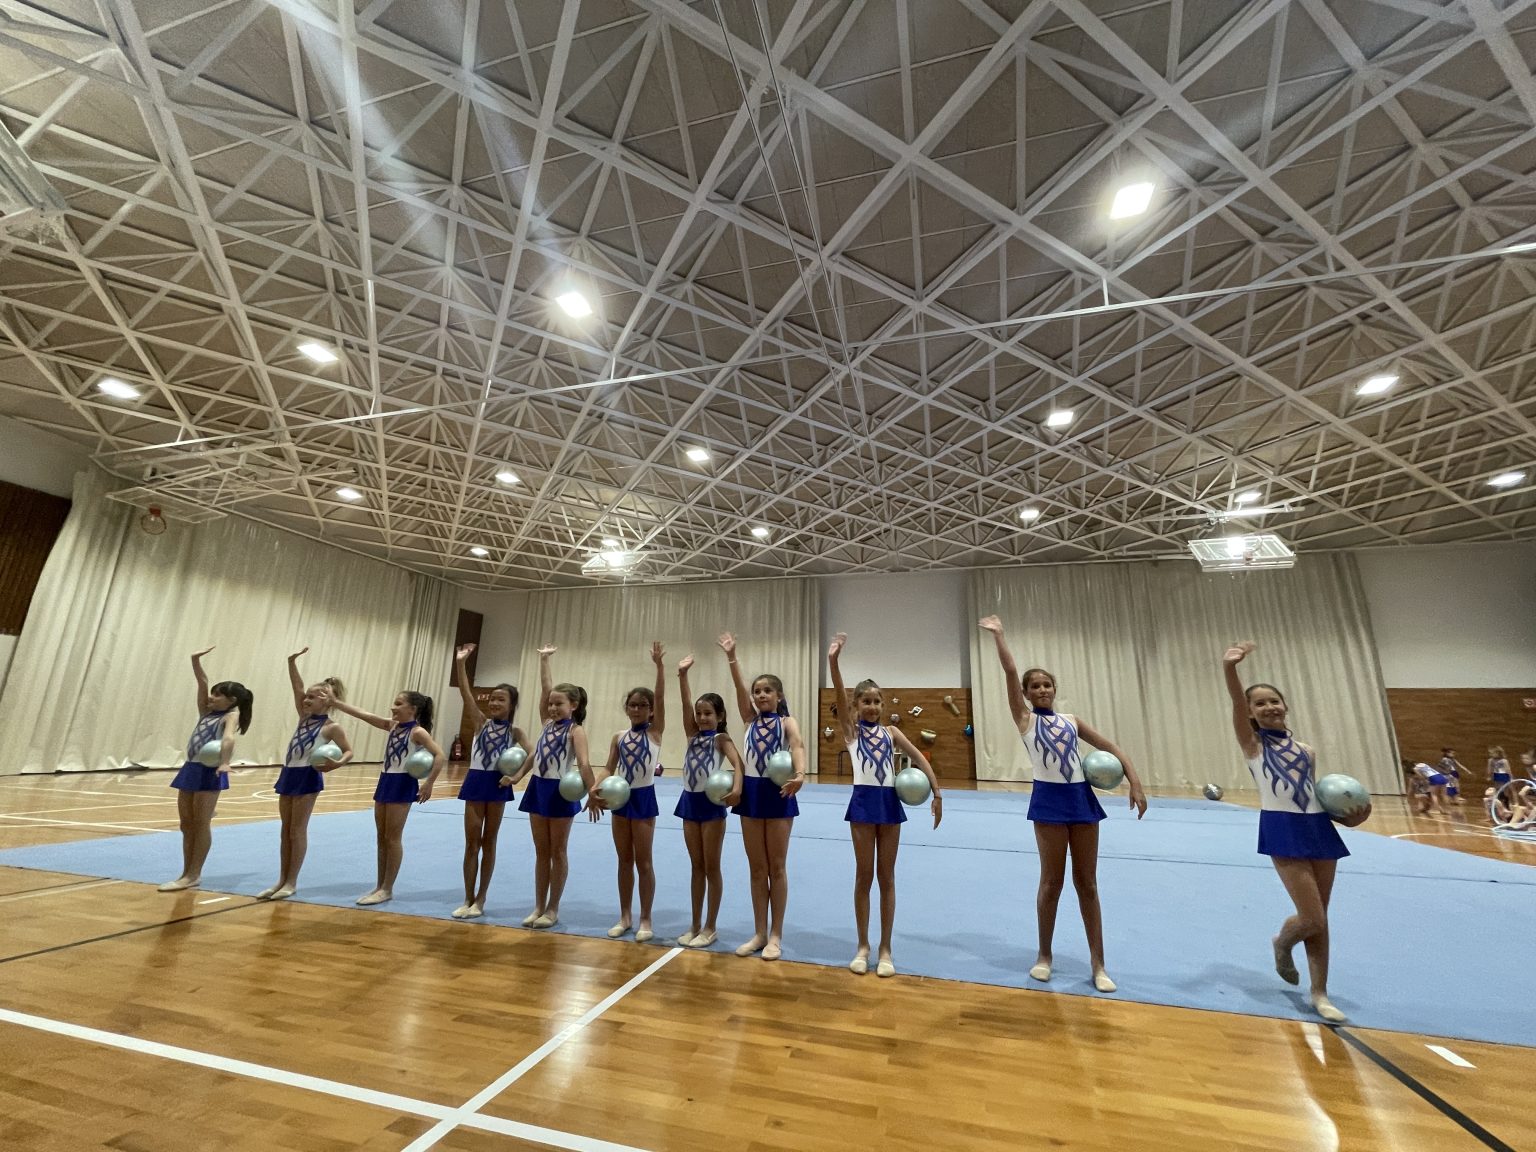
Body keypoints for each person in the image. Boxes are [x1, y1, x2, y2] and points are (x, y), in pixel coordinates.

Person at [979, 616, 1146, 993]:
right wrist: (1000, 636)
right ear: (1026, 694)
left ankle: (1098, 963)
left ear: (1054, 689)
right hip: (1049, 801)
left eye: (1047, 684)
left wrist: (1135, 782)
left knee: (1087, 883)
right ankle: (1044, 955)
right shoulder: (1024, 720)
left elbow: (1110, 747)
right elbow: (1010, 671)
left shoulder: (1071, 720)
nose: (1042, 689)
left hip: (1081, 800)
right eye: (1034, 686)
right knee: (1051, 882)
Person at [1221, 641, 1368, 1024]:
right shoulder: (1253, 746)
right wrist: (1230, 668)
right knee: (1312, 918)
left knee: (1321, 919)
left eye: (1274, 701)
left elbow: (1312, 795)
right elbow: (1235, 702)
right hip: (1282, 828)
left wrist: (1348, 819)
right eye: (1260, 704)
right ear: (1250, 713)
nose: (1269, 707)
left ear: (1285, 706)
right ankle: (1282, 943)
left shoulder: (1307, 750)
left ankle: (1320, 993)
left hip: (1317, 828)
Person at [827, 632, 942, 979]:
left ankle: (885, 948)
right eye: (866, 701)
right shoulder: (852, 733)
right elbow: (838, 693)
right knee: (864, 876)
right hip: (863, 804)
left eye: (877, 701)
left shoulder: (891, 732)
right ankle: (863, 945)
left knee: (886, 877)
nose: (873, 707)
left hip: (889, 805)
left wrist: (937, 793)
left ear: (883, 705)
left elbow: (918, 756)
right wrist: (833, 661)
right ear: (856, 706)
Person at [719, 631, 806, 961]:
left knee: (777, 867)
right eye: (757, 691)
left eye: (767, 690)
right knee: (757, 868)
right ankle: (759, 932)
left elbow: (797, 746)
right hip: (752, 793)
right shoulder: (749, 719)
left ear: (779, 695)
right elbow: (739, 689)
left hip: (779, 791)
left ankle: (776, 935)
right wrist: (732, 657)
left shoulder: (787, 722)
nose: (761, 695)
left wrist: (800, 774)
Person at [322, 686, 444, 906]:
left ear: (413, 709)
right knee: (381, 837)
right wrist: (336, 703)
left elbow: (439, 755)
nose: (392, 707)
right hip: (385, 780)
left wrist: (429, 783)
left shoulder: (418, 732)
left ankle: (387, 888)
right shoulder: (392, 725)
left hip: (402, 783)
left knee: (392, 838)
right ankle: (380, 885)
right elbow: (364, 715)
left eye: (398, 704)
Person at [258, 648, 351, 900]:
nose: (306, 700)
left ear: (327, 702)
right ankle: (281, 879)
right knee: (285, 830)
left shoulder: (331, 727)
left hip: (308, 776)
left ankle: (292, 882)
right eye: (306, 697)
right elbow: (296, 687)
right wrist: (291, 663)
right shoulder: (303, 717)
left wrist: (337, 764)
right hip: (289, 773)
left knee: (297, 830)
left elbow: (349, 751)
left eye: (312, 697)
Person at [159, 647, 252, 893]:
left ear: (231, 701)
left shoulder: (230, 716)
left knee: (201, 824)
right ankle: (185, 871)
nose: (212, 697)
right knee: (186, 824)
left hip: (209, 771)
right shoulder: (206, 712)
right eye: (213, 693)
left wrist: (225, 761)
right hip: (190, 769)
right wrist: (195, 660)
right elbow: (202, 682)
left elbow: (229, 738)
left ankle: (194, 874)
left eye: (218, 695)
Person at [450, 643, 532, 919]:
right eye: (492, 698)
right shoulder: (480, 723)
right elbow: (465, 694)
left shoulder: (515, 732)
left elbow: (534, 753)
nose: (495, 703)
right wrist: (461, 663)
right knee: (471, 842)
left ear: (511, 705)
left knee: (489, 842)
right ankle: (467, 897)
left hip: (497, 786)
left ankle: (481, 899)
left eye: (501, 700)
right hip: (475, 782)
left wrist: (516, 776)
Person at [517, 645, 596, 928]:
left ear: (573, 705)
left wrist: (593, 792)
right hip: (538, 788)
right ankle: (538, 905)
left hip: (561, 791)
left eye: (558, 704)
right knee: (541, 851)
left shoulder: (576, 731)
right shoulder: (546, 724)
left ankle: (553, 908)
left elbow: (584, 764)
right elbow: (545, 687)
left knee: (557, 851)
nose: (552, 707)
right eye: (550, 704)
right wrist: (544, 660)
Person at [594, 643, 666, 942]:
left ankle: (645, 918)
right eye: (632, 705)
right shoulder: (619, 736)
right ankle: (625, 916)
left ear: (651, 710)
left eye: (642, 705)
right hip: (621, 798)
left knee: (643, 861)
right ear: (627, 708)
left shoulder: (654, 732)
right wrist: (594, 789)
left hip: (643, 797)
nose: (636, 709)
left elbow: (661, 696)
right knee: (624, 860)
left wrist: (659, 667)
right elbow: (608, 767)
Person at [674, 654, 743, 949]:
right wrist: (682, 676)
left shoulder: (720, 739)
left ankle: (710, 926)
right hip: (689, 803)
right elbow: (684, 703)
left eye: (708, 713)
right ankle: (694, 924)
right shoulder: (692, 735)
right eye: (699, 713)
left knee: (711, 867)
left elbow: (738, 765)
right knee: (696, 866)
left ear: (720, 716)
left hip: (711, 805)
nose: (702, 718)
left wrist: (736, 790)